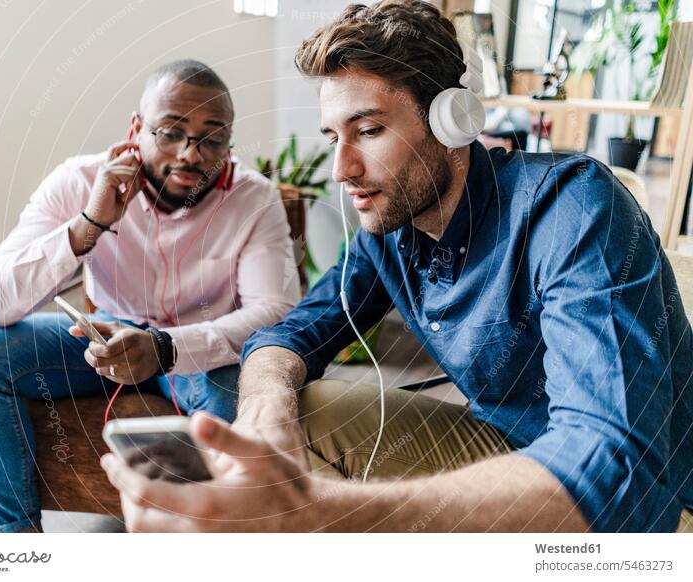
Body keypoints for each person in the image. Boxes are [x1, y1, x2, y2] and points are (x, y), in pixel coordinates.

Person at [101, 1, 693, 533]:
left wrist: (325, 515)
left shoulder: (572, 210)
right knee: (301, 407)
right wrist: (266, 409)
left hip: (653, 505)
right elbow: (292, 331)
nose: (342, 168)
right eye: (334, 136)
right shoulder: (390, 228)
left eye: (370, 131)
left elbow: (616, 474)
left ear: (452, 120)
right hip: (510, 448)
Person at [0, 60, 300, 533]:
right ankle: (14, 544)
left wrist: (165, 347)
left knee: (240, 406)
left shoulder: (254, 198)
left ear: (229, 142)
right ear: (136, 129)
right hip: (101, 336)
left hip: (204, 352)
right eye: (170, 132)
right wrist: (89, 223)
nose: (191, 155)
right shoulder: (80, 180)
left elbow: (275, 312)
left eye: (212, 139)